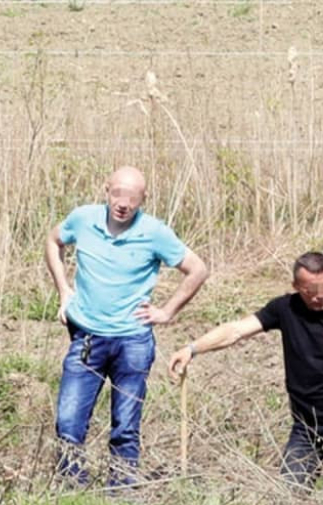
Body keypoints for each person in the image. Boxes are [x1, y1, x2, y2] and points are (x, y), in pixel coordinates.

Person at [167, 252, 323, 497]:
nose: (320, 295)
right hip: (306, 427)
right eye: (311, 290)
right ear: (296, 286)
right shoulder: (285, 309)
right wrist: (192, 349)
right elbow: (235, 331)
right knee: (287, 497)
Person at [45, 166, 208, 486]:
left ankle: (121, 494)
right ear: (106, 190)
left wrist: (167, 311)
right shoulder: (83, 219)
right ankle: (71, 492)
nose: (123, 204)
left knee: (125, 427)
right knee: (68, 423)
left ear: (143, 200)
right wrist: (63, 290)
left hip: (132, 342)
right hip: (87, 337)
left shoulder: (154, 232)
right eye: (117, 194)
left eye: (132, 198)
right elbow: (53, 241)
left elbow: (198, 269)